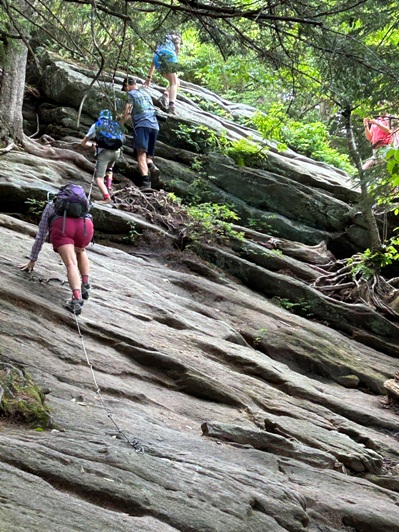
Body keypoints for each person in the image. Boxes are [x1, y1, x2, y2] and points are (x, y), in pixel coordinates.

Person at [19, 186, 94, 315]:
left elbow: (41, 235)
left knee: (71, 264)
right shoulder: (82, 203)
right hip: (85, 226)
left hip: (63, 227)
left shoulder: (51, 205)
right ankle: (85, 285)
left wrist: (33, 259)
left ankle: (76, 301)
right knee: (80, 251)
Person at [120, 77, 160, 189]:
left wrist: (119, 124)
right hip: (154, 125)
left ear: (127, 85)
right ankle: (151, 165)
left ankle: (146, 182)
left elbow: (128, 113)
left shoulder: (130, 95)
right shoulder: (146, 93)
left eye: (125, 88)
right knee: (148, 156)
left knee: (141, 154)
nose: (126, 91)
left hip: (142, 125)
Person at [81, 109, 121, 204]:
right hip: (116, 152)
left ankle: (107, 198)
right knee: (109, 168)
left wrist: (92, 146)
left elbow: (83, 143)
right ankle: (108, 187)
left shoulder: (96, 125)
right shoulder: (115, 125)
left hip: (105, 153)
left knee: (99, 178)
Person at [144, 32, 182, 116]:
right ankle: (171, 107)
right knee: (174, 83)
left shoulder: (161, 39)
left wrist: (149, 78)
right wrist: (175, 56)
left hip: (157, 58)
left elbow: (153, 62)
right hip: (169, 56)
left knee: (177, 82)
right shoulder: (176, 37)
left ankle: (164, 96)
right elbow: (178, 47)